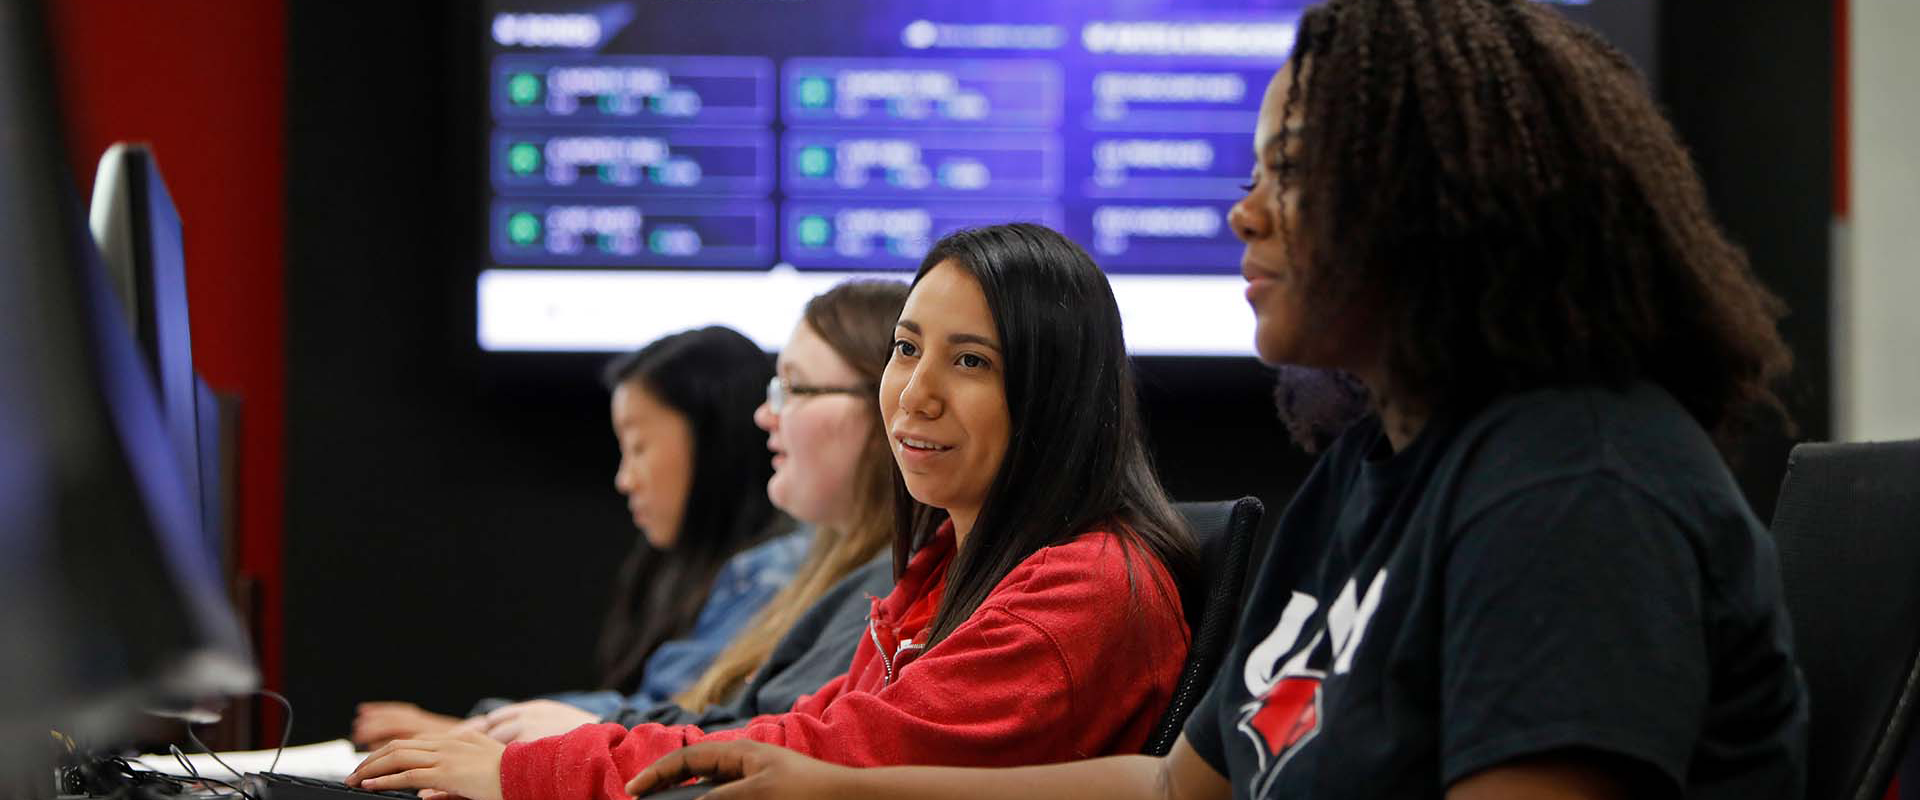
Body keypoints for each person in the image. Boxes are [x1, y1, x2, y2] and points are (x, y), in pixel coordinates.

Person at [619, 1, 1810, 798]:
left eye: (1289, 170)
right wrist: (839, 788)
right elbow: (1177, 785)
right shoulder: (1367, 473)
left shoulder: (1575, 487)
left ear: (1451, 193)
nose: (1243, 212)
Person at [346, 223, 1202, 800]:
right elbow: (801, 731)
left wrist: (526, 773)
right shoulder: (951, 568)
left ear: (1055, 394)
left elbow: (812, 768)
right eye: (906, 349)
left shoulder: (1078, 593)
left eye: (970, 361)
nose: (914, 393)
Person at [464, 280, 912, 744]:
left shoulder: (871, 582)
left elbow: (769, 749)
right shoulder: (829, 571)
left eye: (794, 388)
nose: (765, 415)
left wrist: (592, 733)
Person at [351, 326, 804, 748]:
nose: (625, 479)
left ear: (714, 442)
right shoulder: (674, 567)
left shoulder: (776, 570)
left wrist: (485, 730)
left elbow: (677, 716)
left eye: (639, 447)